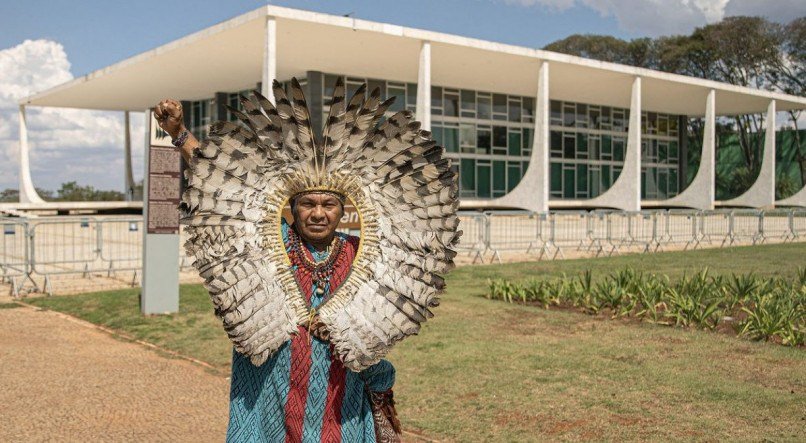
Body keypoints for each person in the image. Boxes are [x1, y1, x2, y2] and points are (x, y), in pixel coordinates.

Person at [154, 99, 402, 442]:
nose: (318, 214)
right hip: (272, 400)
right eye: (308, 204)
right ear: (293, 208)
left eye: (328, 204)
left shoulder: (361, 255)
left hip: (341, 404)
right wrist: (179, 133)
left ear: (342, 209)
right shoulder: (269, 243)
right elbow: (220, 186)